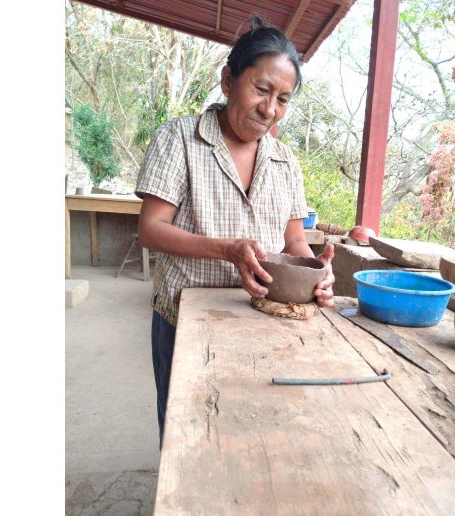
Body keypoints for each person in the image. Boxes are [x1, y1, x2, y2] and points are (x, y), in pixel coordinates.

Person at [134, 16, 336, 445]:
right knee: (184, 432)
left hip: (259, 320)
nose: (270, 109)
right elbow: (151, 229)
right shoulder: (180, 138)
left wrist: (318, 272)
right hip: (184, 317)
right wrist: (228, 249)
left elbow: (294, 240)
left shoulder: (284, 161)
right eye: (261, 89)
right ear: (228, 81)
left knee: (248, 433)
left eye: (283, 98)